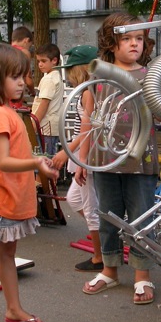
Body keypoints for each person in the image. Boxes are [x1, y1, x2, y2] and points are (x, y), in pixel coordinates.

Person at [0, 42, 58, 322]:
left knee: (8, 256)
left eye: (23, 76)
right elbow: (3, 160)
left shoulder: (7, 111)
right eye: (14, 77)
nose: (22, 82)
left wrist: (36, 163)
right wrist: (36, 162)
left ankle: (13, 309)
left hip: (12, 199)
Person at [76, 12, 160, 305]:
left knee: (141, 218)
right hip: (103, 159)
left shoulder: (150, 75)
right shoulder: (97, 74)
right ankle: (109, 270)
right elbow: (89, 115)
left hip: (141, 161)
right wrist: (81, 159)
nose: (134, 44)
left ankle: (142, 275)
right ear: (112, 43)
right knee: (108, 216)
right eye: (126, 39)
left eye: (139, 38)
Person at [51, 45, 103, 272]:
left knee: (91, 208)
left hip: (87, 154)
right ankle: (106, 237)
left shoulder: (88, 91)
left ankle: (100, 257)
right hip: (85, 152)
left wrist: (68, 152)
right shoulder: (90, 89)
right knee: (74, 199)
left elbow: (87, 128)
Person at [31, 43, 64, 156]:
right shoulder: (55, 76)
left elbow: (44, 104)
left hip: (45, 127)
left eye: (43, 61)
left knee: (44, 161)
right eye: (38, 61)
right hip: (50, 127)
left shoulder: (49, 79)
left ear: (54, 60)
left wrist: (34, 124)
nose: (40, 64)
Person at [11, 26, 35, 97]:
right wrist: (33, 92)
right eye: (29, 46)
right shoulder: (24, 52)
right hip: (14, 93)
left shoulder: (5, 51)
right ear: (26, 40)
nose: (28, 48)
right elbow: (28, 79)